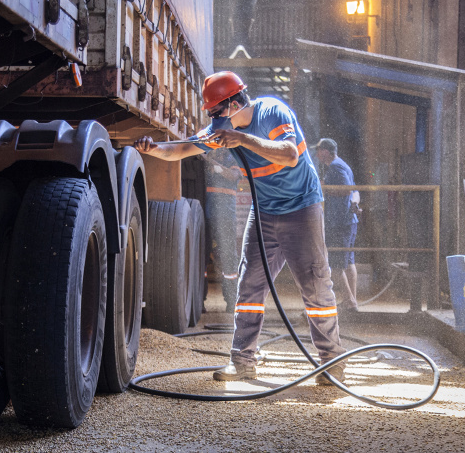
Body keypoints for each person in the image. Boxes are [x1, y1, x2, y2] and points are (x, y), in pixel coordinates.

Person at [134, 71, 346, 385]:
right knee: (249, 286)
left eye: (216, 111)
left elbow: (290, 155)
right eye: (211, 114)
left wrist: (243, 139)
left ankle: (331, 363)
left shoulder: (273, 111)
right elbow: (182, 149)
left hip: (302, 208)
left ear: (234, 103)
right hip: (265, 212)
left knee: (315, 286)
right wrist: (153, 149)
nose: (214, 119)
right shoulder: (221, 128)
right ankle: (243, 361)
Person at [314, 138, 361, 313]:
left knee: (337, 264)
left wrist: (324, 187)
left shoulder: (336, 167)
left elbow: (347, 189)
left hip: (339, 222)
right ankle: (351, 301)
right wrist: (354, 204)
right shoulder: (343, 165)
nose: (317, 154)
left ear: (326, 151)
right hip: (348, 221)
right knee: (348, 262)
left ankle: (350, 301)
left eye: (319, 151)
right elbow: (354, 190)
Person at [204, 151, 242, 313]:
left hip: (226, 216)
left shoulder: (233, 157)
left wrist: (212, 164)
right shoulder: (207, 155)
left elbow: (233, 176)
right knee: (202, 256)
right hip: (206, 214)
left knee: (229, 258)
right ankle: (199, 301)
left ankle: (232, 301)